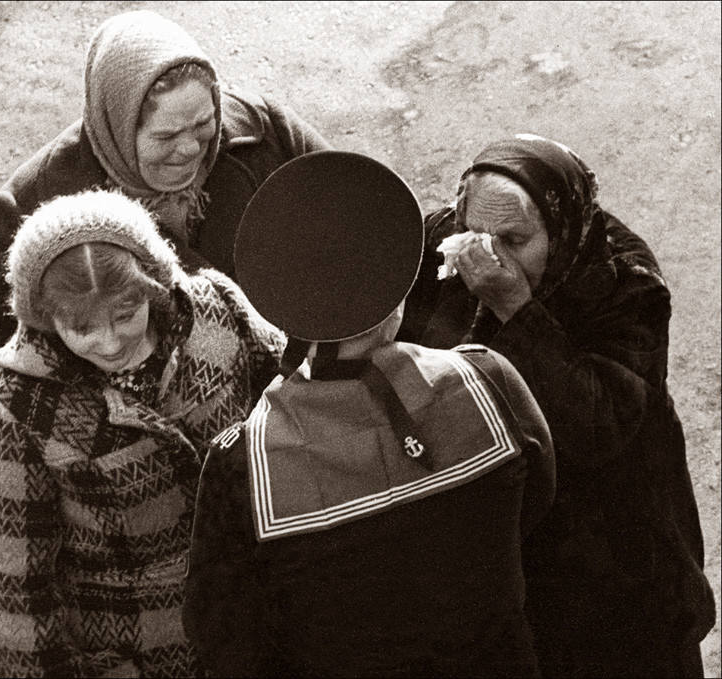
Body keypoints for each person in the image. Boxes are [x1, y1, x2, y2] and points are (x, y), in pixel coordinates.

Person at [183, 151, 556, 677]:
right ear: (400, 295)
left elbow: (223, 635)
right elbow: (535, 504)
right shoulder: (492, 382)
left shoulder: (243, 464)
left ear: (281, 306)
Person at [397, 134, 717, 677]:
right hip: (503, 536)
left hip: (613, 547)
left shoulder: (623, 283)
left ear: (560, 229)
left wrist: (514, 309)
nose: (487, 255)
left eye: (516, 240)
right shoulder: (439, 245)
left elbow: (600, 427)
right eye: (474, 232)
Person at [0, 189, 285, 677]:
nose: (110, 342)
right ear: (45, 318)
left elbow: (300, 402)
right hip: (142, 661)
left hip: (268, 622)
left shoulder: (217, 308)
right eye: (82, 327)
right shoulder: (10, 411)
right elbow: (18, 601)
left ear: (152, 284)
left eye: (126, 314)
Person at [0, 8, 329, 397]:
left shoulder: (267, 133)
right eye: (166, 136)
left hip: (299, 390)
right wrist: (92, 421)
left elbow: (368, 221)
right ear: (118, 126)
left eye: (203, 124)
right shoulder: (38, 202)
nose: (191, 148)